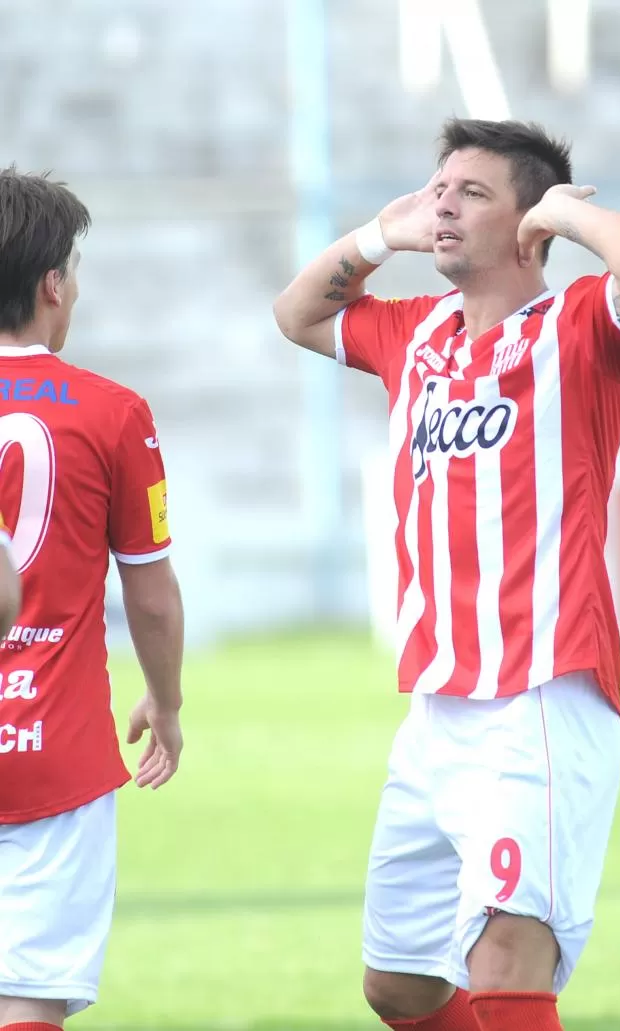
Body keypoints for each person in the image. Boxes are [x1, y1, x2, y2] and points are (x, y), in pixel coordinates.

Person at [275, 118, 620, 1031]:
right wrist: (380, 236)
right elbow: (296, 313)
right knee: (401, 984)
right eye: (438, 188)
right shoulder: (415, 334)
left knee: (506, 956)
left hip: (539, 695)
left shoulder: (578, 329)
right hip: (435, 707)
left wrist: (569, 221)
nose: (443, 205)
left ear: (527, 221)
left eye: (471, 193)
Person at [0, 167, 186, 1030]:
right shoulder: (112, 412)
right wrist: (167, 699)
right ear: (52, 284)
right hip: (51, 742)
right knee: (29, 998)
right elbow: (148, 594)